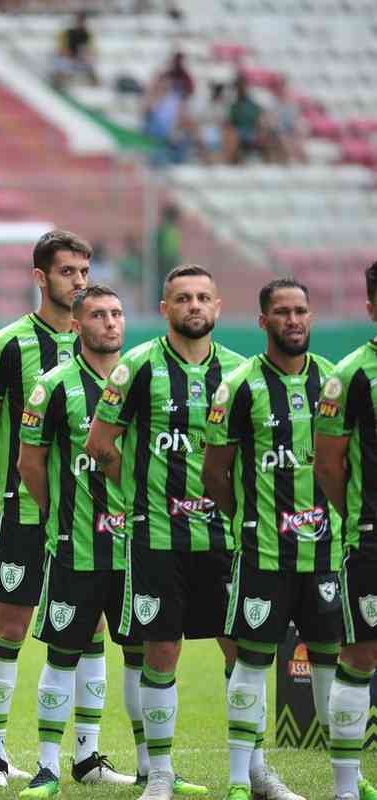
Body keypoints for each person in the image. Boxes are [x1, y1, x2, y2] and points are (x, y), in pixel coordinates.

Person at [85, 265, 246, 800]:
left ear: (217, 307)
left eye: (203, 296)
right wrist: (137, 495)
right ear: (165, 309)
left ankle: (254, 773)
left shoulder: (242, 373)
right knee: (161, 652)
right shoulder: (136, 368)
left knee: (244, 651)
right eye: (182, 298)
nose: (193, 305)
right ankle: (159, 772)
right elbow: (99, 444)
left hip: (224, 540)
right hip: (156, 537)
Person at [202, 278, 336, 800]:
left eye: (301, 310)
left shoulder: (333, 383)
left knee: (331, 660)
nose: (294, 320)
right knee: (253, 660)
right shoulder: (237, 386)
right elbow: (216, 473)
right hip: (262, 552)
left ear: (312, 317)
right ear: (263, 322)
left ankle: (347, 779)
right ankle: (241, 782)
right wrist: (250, 518)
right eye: (282, 312)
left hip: (325, 551)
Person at [0, 230, 90, 787]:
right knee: (11, 622)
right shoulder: (8, 345)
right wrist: (13, 486)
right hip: (25, 510)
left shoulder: (102, 345)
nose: (79, 282)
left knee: (86, 626)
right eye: (68, 272)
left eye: (84, 271)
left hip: (90, 516)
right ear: (41, 278)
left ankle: (86, 756)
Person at [16, 284, 142, 797]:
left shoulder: (143, 380)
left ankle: (156, 765)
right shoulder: (53, 385)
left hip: (137, 544)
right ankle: (48, 767)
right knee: (63, 652)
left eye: (116, 313)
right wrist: (60, 515)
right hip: (76, 544)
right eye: (98, 314)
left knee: (142, 655)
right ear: (75, 324)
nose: (110, 323)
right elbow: (29, 463)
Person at [313, 261, 377, 800]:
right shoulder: (351, 375)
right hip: (372, 538)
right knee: (361, 656)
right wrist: (359, 516)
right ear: (371, 308)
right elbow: (329, 465)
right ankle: (346, 789)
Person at [50, 11, 97, 89]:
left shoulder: (87, 34)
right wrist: (70, 55)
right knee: (60, 64)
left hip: (79, 59)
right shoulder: (68, 33)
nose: (81, 23)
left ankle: (93, 87)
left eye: (83, 21)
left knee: (91, 66)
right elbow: (61, 49)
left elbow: (89, 50)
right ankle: (58, 84)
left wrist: (83, 56)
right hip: (67, 58)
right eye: (80, 21)